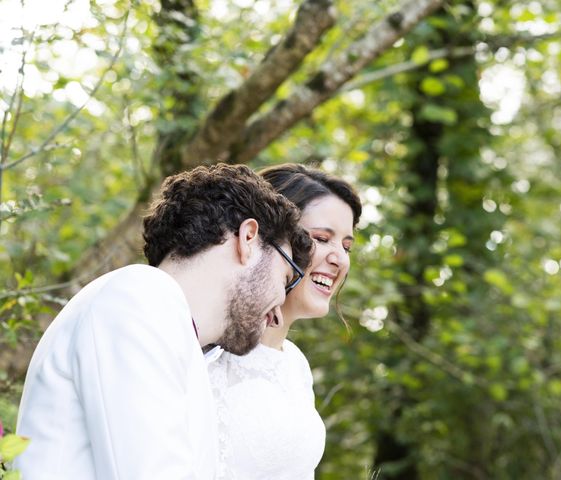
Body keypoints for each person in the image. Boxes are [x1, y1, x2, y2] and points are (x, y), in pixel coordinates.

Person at [14, 163, 313, 480]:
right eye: (286, 278)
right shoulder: (139, 296)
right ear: (248, 238)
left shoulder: (174, 329)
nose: (280, 306)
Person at [207, 163, 362, 480]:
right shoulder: (209, 350)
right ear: (266, 237)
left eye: (346, 246)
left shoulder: (295, 365)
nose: (339, 259)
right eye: (321, 238)